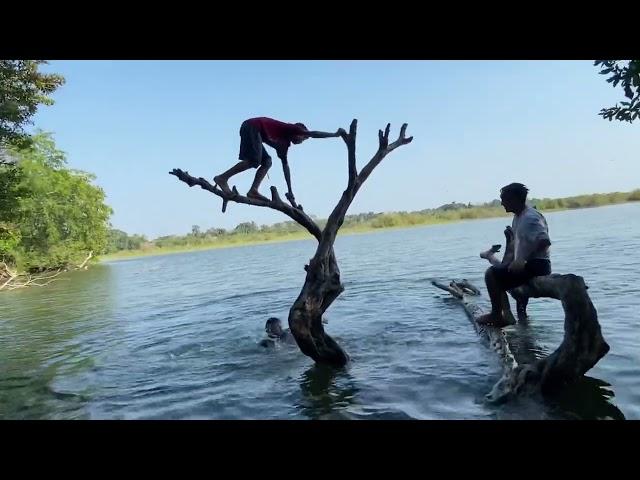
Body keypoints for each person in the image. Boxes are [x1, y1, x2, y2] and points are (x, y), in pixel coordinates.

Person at [214, 117, 344, 204]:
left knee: (267, 162)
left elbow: (286, 168)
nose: (302, 141)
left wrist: (290, 191)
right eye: (303, 138)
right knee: (255, 161)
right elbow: (314, 134)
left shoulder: (283, 144)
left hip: (253, 130)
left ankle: (253, 191)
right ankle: (222, 178)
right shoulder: (292, 128)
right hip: (252, 126)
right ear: (300, 132)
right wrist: (335, 134)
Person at [476, 183, 552, 328]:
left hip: (537, 265)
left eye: (504, 199)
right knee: (499, 271)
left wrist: (522, 260)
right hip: (528, 263)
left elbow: (544, 241)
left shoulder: (530, 217)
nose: (502, 203)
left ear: (515, 199)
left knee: (491, 274)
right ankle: (510, 316)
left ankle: (497, 315)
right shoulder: (519, 216)